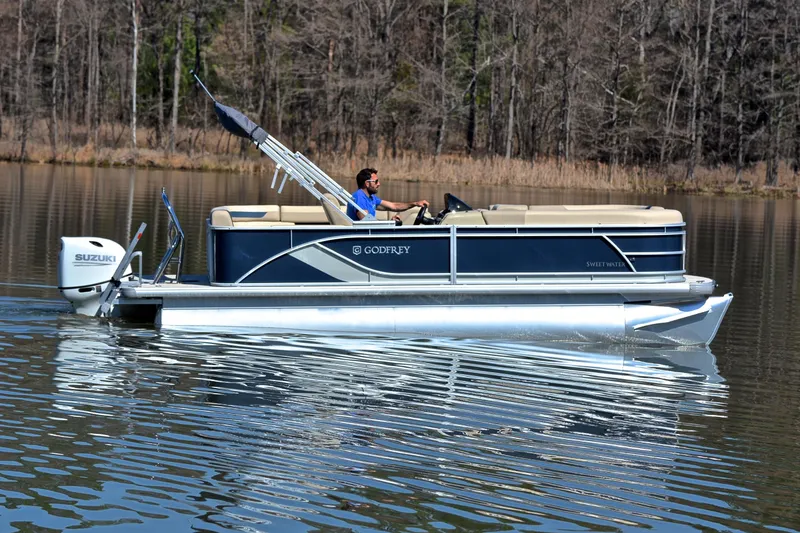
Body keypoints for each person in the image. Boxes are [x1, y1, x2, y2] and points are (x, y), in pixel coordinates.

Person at [346, 168, 429, 222]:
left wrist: (415, 204)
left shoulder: (371, 198)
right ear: (367, 183)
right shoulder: (359, 197)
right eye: (376, 181)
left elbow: (394, 206)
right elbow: (366, 221)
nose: (379, 184)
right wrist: (389, 223)